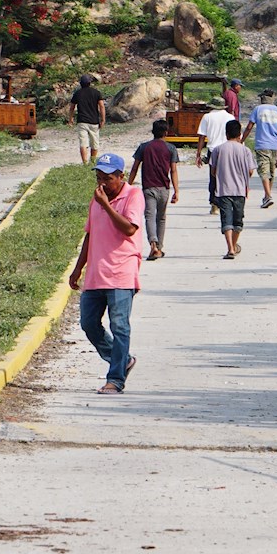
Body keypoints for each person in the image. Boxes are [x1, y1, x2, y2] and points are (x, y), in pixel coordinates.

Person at [69, 153, 145, 394]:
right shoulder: (97, 199)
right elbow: (90, 235)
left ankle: (115, 379)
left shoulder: (133, 195)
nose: (102, 184)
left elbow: (129, 229)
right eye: (99, 178)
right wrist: (78, 267)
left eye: (108, 179)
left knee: (119, 325)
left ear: (121, 177)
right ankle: (122, 360)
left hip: (122, 271)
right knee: (89, 323)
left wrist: (105, 205)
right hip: (96, 272)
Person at [129, 119, 179, 261]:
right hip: (164, 188)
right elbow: (173, 171)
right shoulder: (171, 148)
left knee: (149, 217)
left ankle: (153, 245)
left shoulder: (144, 147)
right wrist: (176, 190)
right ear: (166, 132)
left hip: (148, 188)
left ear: (153, 132)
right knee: (161, 218)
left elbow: (134, 168)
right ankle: (160, 247)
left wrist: (127, 185)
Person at [210, 119, 257, 259]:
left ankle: (231, 248)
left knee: (226, 220)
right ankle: (232, 247)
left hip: (223, 190)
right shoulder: (245, 150)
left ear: (226, 134)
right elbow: (250, 171)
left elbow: (213, 171)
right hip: (240, 191)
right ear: (240, 134)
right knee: (238, 221)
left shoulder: (218, 149)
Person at [242, 89, 277, 208]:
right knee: (271, 173)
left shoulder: (258, 109)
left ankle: (268, 196)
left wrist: (241, 140)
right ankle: (267, 196)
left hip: (262, 145)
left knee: (264, 171)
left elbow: (249, 127)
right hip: (276, 146)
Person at [195, 96, 235, 214]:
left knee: (213, 177)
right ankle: (226, 202)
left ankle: (214, 204)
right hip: (228, 150)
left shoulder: (207, 117)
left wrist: (198, 154)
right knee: (227, 177)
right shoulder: (230, 117)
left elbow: (202, 136)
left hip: (213, 150)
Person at [68, 74, 105, 164]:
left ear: (81, 83)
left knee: (83, 143)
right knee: (94, 143)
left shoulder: (78, 93)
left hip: (82, 121)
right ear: (90, 83)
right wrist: (103, 119)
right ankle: (92, 161)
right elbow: (102, 106)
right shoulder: (96, 92)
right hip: (94, 121)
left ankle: (85, 163)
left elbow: (72, 107)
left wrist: (70, 119)